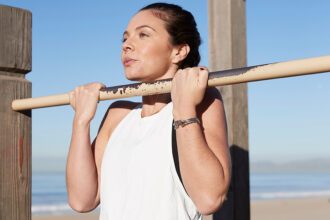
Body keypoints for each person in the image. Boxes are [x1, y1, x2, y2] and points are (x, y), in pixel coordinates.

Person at [66, 2, 231, 220]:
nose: (127, 45)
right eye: (125, 38)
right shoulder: (117, 114)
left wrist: (183, 108)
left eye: (143, 35)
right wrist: (81, 121)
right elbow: (81, 200)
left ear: (179, 51)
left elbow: (209, 199)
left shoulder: (202, 103)